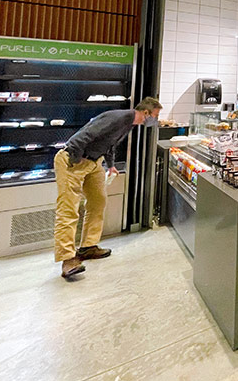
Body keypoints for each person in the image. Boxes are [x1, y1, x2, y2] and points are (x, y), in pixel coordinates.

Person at [54, 96, 162, 279]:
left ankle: (88, 247)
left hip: (94, 162)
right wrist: (76, 158)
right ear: (146, 113)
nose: (156, 120)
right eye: (155, 115)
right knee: (69, 209)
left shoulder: (129, 123)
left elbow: (110, 144)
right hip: (72, 161)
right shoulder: (120, 117)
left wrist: (110, 165)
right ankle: (68, 259)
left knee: (98, 202)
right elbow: (87, 134)